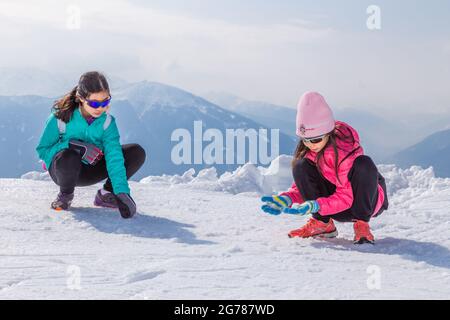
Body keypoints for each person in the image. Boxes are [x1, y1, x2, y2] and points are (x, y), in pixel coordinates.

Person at [261, 91, 388, 244]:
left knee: (364, 164)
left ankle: (362, 226)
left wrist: (316, 204)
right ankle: (323, 224)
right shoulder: (310, 152)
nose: (309, 145)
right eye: (305, 140)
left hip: (365, 202)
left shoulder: (344, 153)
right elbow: (304, 187)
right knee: (300, 165)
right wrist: (287, 198)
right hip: (332, 206)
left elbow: (347, 197)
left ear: (328, 133)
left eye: (315, 140)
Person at [36, 71, 146, 218]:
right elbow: (43, 150)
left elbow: (114, 156)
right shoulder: (60, 118)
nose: (100, 108)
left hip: (92, 168)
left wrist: (122, 191)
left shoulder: (107, 122)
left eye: (105, 102)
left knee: (136, 152)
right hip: (64, 170)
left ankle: (107, 194)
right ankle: (65, 196)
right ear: (80, 98)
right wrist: (72, 145)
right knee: (68, 155)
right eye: (94, 103)